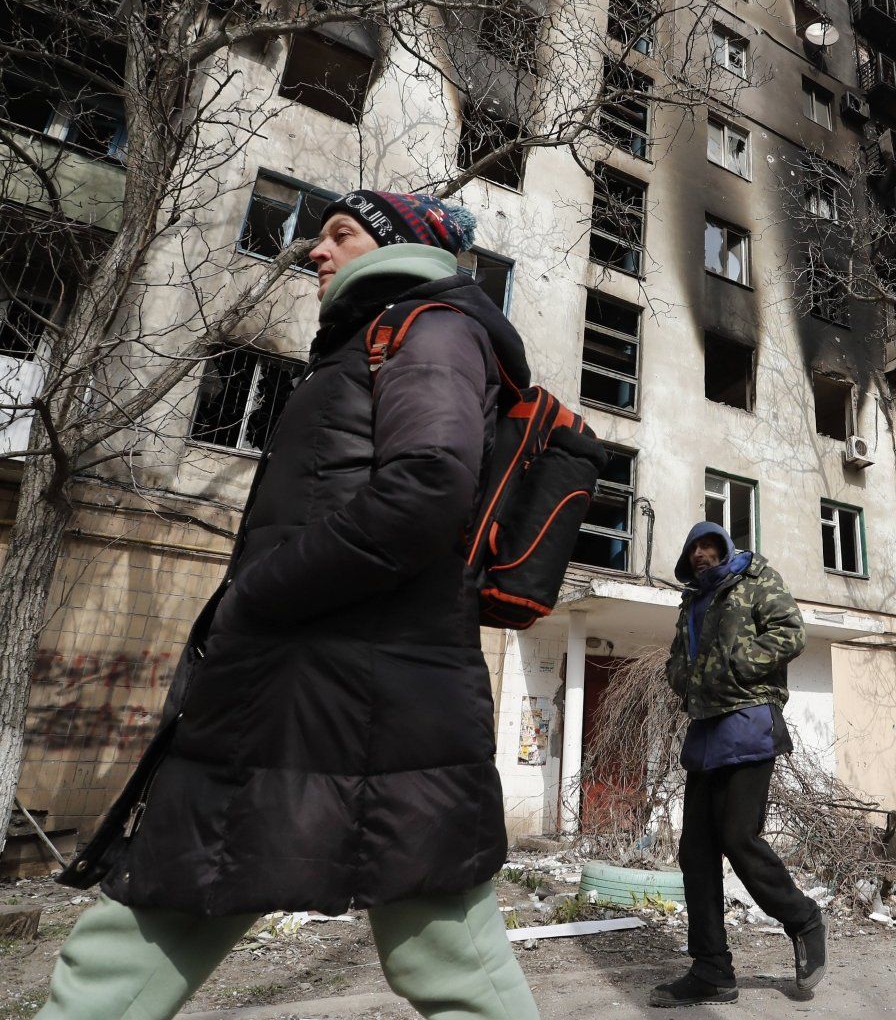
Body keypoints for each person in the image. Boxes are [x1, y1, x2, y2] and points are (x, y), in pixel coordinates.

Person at [40, 190, 540, 1019]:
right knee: (149, 924)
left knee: (445, 953)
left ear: (399, 246)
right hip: (307, 692)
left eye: (340, 234)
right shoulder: (373, 341)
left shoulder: (429, 327)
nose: (315, 248)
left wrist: (257, 596)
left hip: (361, 698)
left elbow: (428, 486)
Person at [652, 522, 827, 1008]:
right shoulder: (691, 603)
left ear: (725, 548)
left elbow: (791, 633)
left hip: (749, 724)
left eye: (710, 546)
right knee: (696, 853)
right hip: (705, 731)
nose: (702, 555)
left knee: (738, 837)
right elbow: (675, 660)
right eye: (694, 550)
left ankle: (804, 920)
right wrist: (685, 679)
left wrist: (733, 664)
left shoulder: (756, 582)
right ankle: (711, 970)